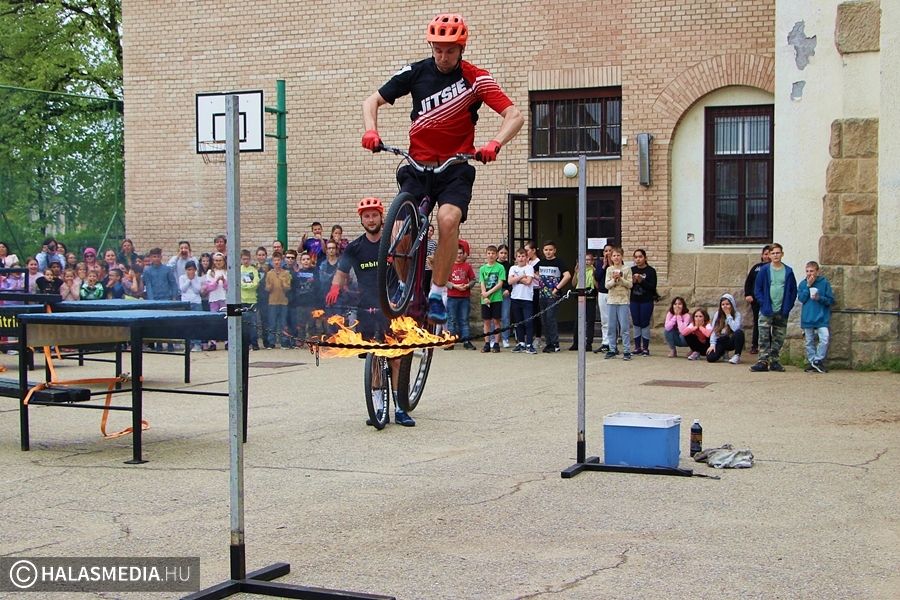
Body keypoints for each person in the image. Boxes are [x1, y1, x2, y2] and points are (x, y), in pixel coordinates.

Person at [361, 12, 524, 324]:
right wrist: (371, 130)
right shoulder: (415, 72)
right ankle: (407, 293)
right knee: (400, 231)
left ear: (461, 49)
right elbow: (371, 102)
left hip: (455, 167)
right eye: (438, 49)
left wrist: (495, 143)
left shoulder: (476, 78)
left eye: (450, 50)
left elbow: (514, 115)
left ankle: (438, 290)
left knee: (447, 220)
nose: (443, 56)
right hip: (418, 165)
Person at [325, 197, 415, 427]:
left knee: (395, 359)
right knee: (374, 360)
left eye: (374, 214)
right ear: (361, 219)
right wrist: (335, 287)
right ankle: (378, 405)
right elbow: (342, 271)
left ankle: (400, 408)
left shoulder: (393, 243)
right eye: (366, 216)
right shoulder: (355, 247)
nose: (371, 219)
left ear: (381, 216)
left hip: (393, 306)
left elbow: (408, 266)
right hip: (366, 308)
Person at [750, 243, 797, 373]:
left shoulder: (788, 271)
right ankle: (763, 361)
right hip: (766, 309)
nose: (776, 255)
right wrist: (763, 303)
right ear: (769, 255)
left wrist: (788, 305)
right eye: (773, 253)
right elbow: (757, 289)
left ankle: (775, 361)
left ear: (782, 254)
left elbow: (793, 290)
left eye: (778, 253)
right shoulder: (764, 270)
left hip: (782, 310)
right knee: (764, 335)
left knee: (779, 337)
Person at [798, 261, 834, 373]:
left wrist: (819, 298)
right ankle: (812, 361)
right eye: (807, 271)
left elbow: (831, 300)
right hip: (807, 317)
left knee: (824, 338)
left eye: (812, 271)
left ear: (817, 271)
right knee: (809, 341)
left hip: (821, 317)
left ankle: (818, 360)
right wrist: (808, 287)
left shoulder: (824, 283)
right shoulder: (803, 284)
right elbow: (802, 299)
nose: (809, 274)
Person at [536, 240, 571, 353]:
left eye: (550, 250)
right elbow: (532, 272)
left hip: (553, 295)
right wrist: (539, 280)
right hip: (542, 295)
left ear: (554, 250)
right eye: (546, 250)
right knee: (544, 319)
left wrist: (557, 288)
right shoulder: (541, 263)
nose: (548, 252)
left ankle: (555, 343)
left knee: (551, 318)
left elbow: (567, 275)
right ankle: (548, 343)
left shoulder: (559, 262)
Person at [446, 240, 477, 350]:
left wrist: (468, 285)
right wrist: (455, 286)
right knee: (452, 319)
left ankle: (466, 340)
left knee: (464, 319)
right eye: (456, 253)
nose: (458, 255)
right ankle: (451, 341)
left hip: (464, 297)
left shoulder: (467, 266)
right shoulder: (449, 266)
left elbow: (473, 280)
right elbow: (444, 281)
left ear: (463, 254)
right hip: (452, 297)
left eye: (460, 253)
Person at [603, 247, 632, 360]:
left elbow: (630, 285)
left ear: (622, 256)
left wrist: (621, 279)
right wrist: (614, 280)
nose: (616, 257)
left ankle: (626, 350)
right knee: (611, 326)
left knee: (624, 327)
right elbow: (607, 285)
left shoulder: (627, 269)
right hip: (611, 300)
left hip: (623, 300)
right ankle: (612, 348)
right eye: (614, 256)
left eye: (618, 255)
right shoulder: (609, 269)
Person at [508, 247, 537, 354]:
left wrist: (517, 278)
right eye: (519, 256)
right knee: (518, 322)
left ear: (527, 257)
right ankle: (521, 343)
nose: (521, 258)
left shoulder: (529, 268)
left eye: (523, 256)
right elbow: (510, 281)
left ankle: (529, 344)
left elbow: (529, 281)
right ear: (516, 258)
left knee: (528, 322)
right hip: (515, 298)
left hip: (527, 299)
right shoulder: (512, 268)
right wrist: (522, 276)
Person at [743, 245, 771, 354]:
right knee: (757, 322)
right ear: (762, 255)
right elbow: (749, 282)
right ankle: (755, 345)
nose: (767, 256)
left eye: (769, 253)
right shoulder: (756, 268)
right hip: (756, 300)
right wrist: (748, 294)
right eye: (765, 254)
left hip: (769, 300)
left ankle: (769, 345)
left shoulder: (775, 268)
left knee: (770, 322)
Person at [629, 249, 658, 356]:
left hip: (646, 300)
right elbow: (628, 286)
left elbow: (652, 287)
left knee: (645, 323)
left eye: (640, 257)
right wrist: (632, 281)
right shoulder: (631, 270)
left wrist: (642, 281)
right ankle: (637, 347)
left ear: (645, 258)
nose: (638, 259)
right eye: (636, 257)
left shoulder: (651, 271)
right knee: (636, 322)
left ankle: (645, 347)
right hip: (634, 300)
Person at [478, 244, 506, 353]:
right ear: (486, 255)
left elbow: (500, 283)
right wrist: (484, 294)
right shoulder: (482, 268)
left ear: (496, 255)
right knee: (486, 322)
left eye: (493, 253)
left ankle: (496, 343)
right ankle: (486, 343)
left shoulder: (500, 267)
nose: (491, 255)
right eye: (489, 253)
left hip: (496, 298)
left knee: (496, 321)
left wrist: (489, 293)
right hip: (485, 299)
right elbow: (482, 282)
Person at [569, 251, 597, 352]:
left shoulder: (594, 270)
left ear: (592, 261)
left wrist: (594, 275)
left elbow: (597, 286)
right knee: (578, 320)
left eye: (588, 260)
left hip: (590, 297)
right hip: (580, 297)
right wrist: (576, 273)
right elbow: (573, 284)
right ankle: (576, 343)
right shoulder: (579, 270)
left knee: (590, 321)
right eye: (584, 260)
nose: (586, 262)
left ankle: (588, 343)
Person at [706, 293, 745, 364]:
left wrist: (728, 315)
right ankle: (723, 353)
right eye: (723, 304)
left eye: (727, 304)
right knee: (710, 358)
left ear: (732, 305)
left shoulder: (737, 314)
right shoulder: (718, 314)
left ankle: (737, 355)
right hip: (721, 339)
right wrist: (712, 344)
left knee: (739, 332)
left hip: (731, 339)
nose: (725, 306)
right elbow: (714, 330)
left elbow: (736, 328)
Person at [265, 251, 292, 349]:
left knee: (283, 323)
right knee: (272, 323)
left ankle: (284, 341)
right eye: (275, 260)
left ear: (282, 261)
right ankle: (271, 342)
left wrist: (282, 281)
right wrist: (270, 286)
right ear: (272, 262)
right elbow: (267, 288)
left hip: (283, 301)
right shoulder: (269, 274)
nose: (277, 262)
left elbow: (288, 287)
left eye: (278, 260)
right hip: (272, 301)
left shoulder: (286, 273)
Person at [179, 260, 204, 351]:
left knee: (197, 324)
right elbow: (182, 289)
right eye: (189, 269)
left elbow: (197, 290)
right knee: (187, 324)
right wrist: (188, 280)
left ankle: (197, 344)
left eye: (193, 269)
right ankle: (188, 344)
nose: (191, 271)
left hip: (196, 302)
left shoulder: (198, 278)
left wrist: (192, 280)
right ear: (186, 270)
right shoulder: (182, 278)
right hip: (186, 302)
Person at [239, 249, 261, 351]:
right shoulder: (239, 270)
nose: (246, 261)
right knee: (243, 324)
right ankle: (245, 344)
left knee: (253, 324)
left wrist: (247, 285)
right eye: (244, 259)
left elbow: (256, 283)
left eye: (247, 259)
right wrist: (248, 285)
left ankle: (254, 344)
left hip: (252, 301)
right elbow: (240, 284)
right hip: (242, 300)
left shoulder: (253, 270)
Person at [593, 243, 613, 353]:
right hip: (602, 293)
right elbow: (597, 277)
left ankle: (612, 343)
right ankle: (605, 343)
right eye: (606, 251)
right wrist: (604, 266)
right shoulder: (600, 263)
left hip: (613, 293)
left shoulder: (618, 263)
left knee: (612, 319)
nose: (608, 253)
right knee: (604, 319)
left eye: (610, 251)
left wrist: (610, 264)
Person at [497, 243, 512, 348]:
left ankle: (505, 338)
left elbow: (512, 280)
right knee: (494, 316)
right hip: (494, 292)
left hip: (506, 292)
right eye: (501, 253)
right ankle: (494, 338)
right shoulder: (493, 264)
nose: (503, 255)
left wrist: (509, 290)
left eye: (505, 253)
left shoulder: (509, 266)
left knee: (505, 316)